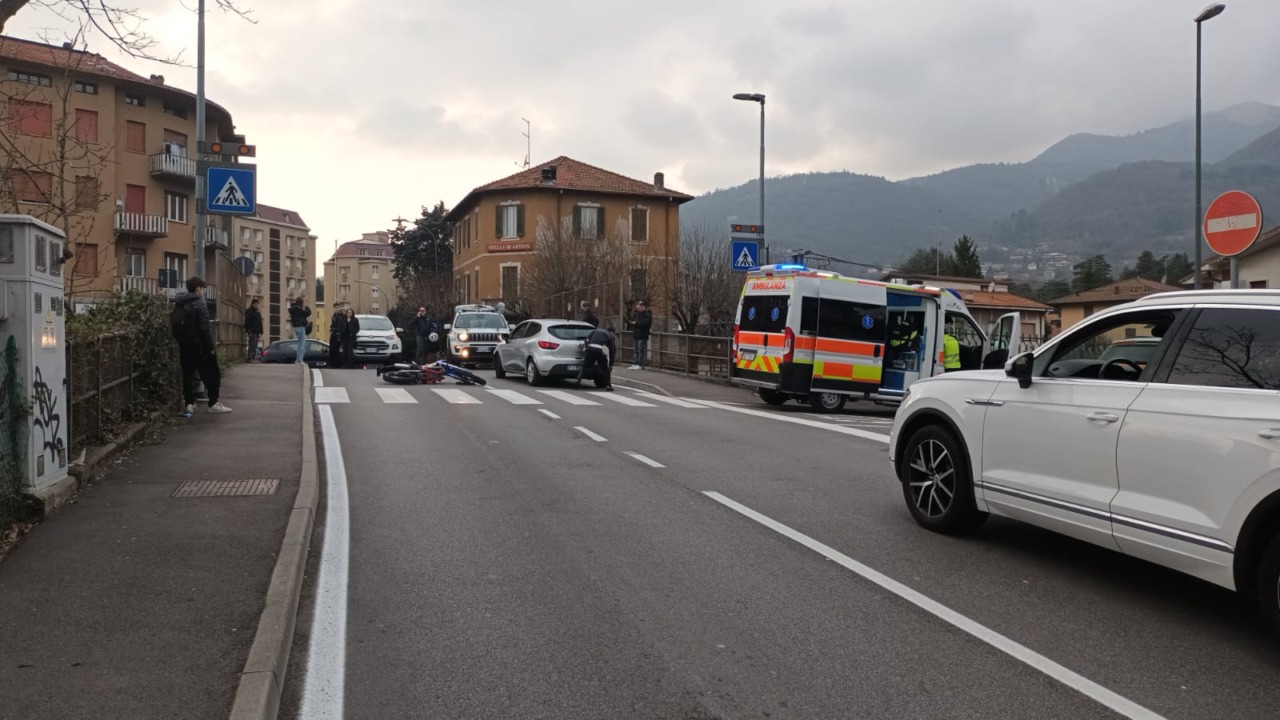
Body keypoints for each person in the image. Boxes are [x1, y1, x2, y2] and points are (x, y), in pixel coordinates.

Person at [172, 276, 231, 416]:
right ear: (198, 288)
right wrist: (210, 347)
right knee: (212, 373)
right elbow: (205, 328)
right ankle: (213, 403)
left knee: (188, 374)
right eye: (203, 288)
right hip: (199, 346)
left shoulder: (180, 302)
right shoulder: (199, 303)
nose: (204, 291)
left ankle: (189, 405)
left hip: (185, 344)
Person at [579, 324, 616, 391]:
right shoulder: (609, 336)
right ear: (612, 332)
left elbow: (586, 339)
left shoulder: (595, 331)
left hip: (590, 349)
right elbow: (612, 351)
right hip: (599, 351)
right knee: (605, 369)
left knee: (585, 366)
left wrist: (586, 347)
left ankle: (578, 381)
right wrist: (610, 364)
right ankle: (608, 386)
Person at [628, 300, 652, 370]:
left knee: (640, 350)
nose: (638, 309)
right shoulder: (637, 314)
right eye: (637, 308)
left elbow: (646, 323)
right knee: (636, 350)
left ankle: (639, 364)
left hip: (642, 334)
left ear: (642, 307)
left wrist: (636, 323)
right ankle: (635, 363)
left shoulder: (647, 314)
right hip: (637, 334)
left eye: (639, 308)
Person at [288, 296, 311, 364]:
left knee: (301, 343)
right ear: (301, 302)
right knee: (301, 344)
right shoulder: (298, 309)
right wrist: (306, 306)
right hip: (300, 327)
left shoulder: (294, 309)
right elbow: (308, 313)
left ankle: (298, 360)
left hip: (296, 327)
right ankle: (299, 360)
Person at [328, 302, 347, 368]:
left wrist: (339, 333)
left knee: (337, 349)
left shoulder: (341, 316)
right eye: (336, 308)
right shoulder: (333, 315)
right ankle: (332, 363)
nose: (337, 309)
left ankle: (337, 364)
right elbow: (333, 324)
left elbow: (341, 325)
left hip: (339, 333)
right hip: (333, 333)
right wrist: (331, 329)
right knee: (332, 348)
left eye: (338, 308)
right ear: (333, 308)